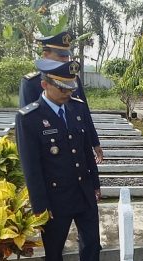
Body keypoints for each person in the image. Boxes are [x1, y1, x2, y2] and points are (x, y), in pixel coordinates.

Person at [16, 59, 112, 261]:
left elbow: (85, 152)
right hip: (55, 197)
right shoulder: (30, 118)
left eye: (71, 88)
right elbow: (31, 168)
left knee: (92, 242)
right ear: (45, 85)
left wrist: (95, 185)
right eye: (63, 89)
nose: (69, 93)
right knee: (54, 248)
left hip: (83, 191)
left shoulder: (76, 109)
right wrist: (40, 206)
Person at [18, 31, 103, 163]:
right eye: (61, 56)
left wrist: (94, 142)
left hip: (76, 148)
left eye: (67, 56)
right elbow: (27, 126)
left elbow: (84, 113)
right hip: (51, 153)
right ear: (46, 55)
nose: (66, 60)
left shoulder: (74, 80)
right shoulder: (31, 83)